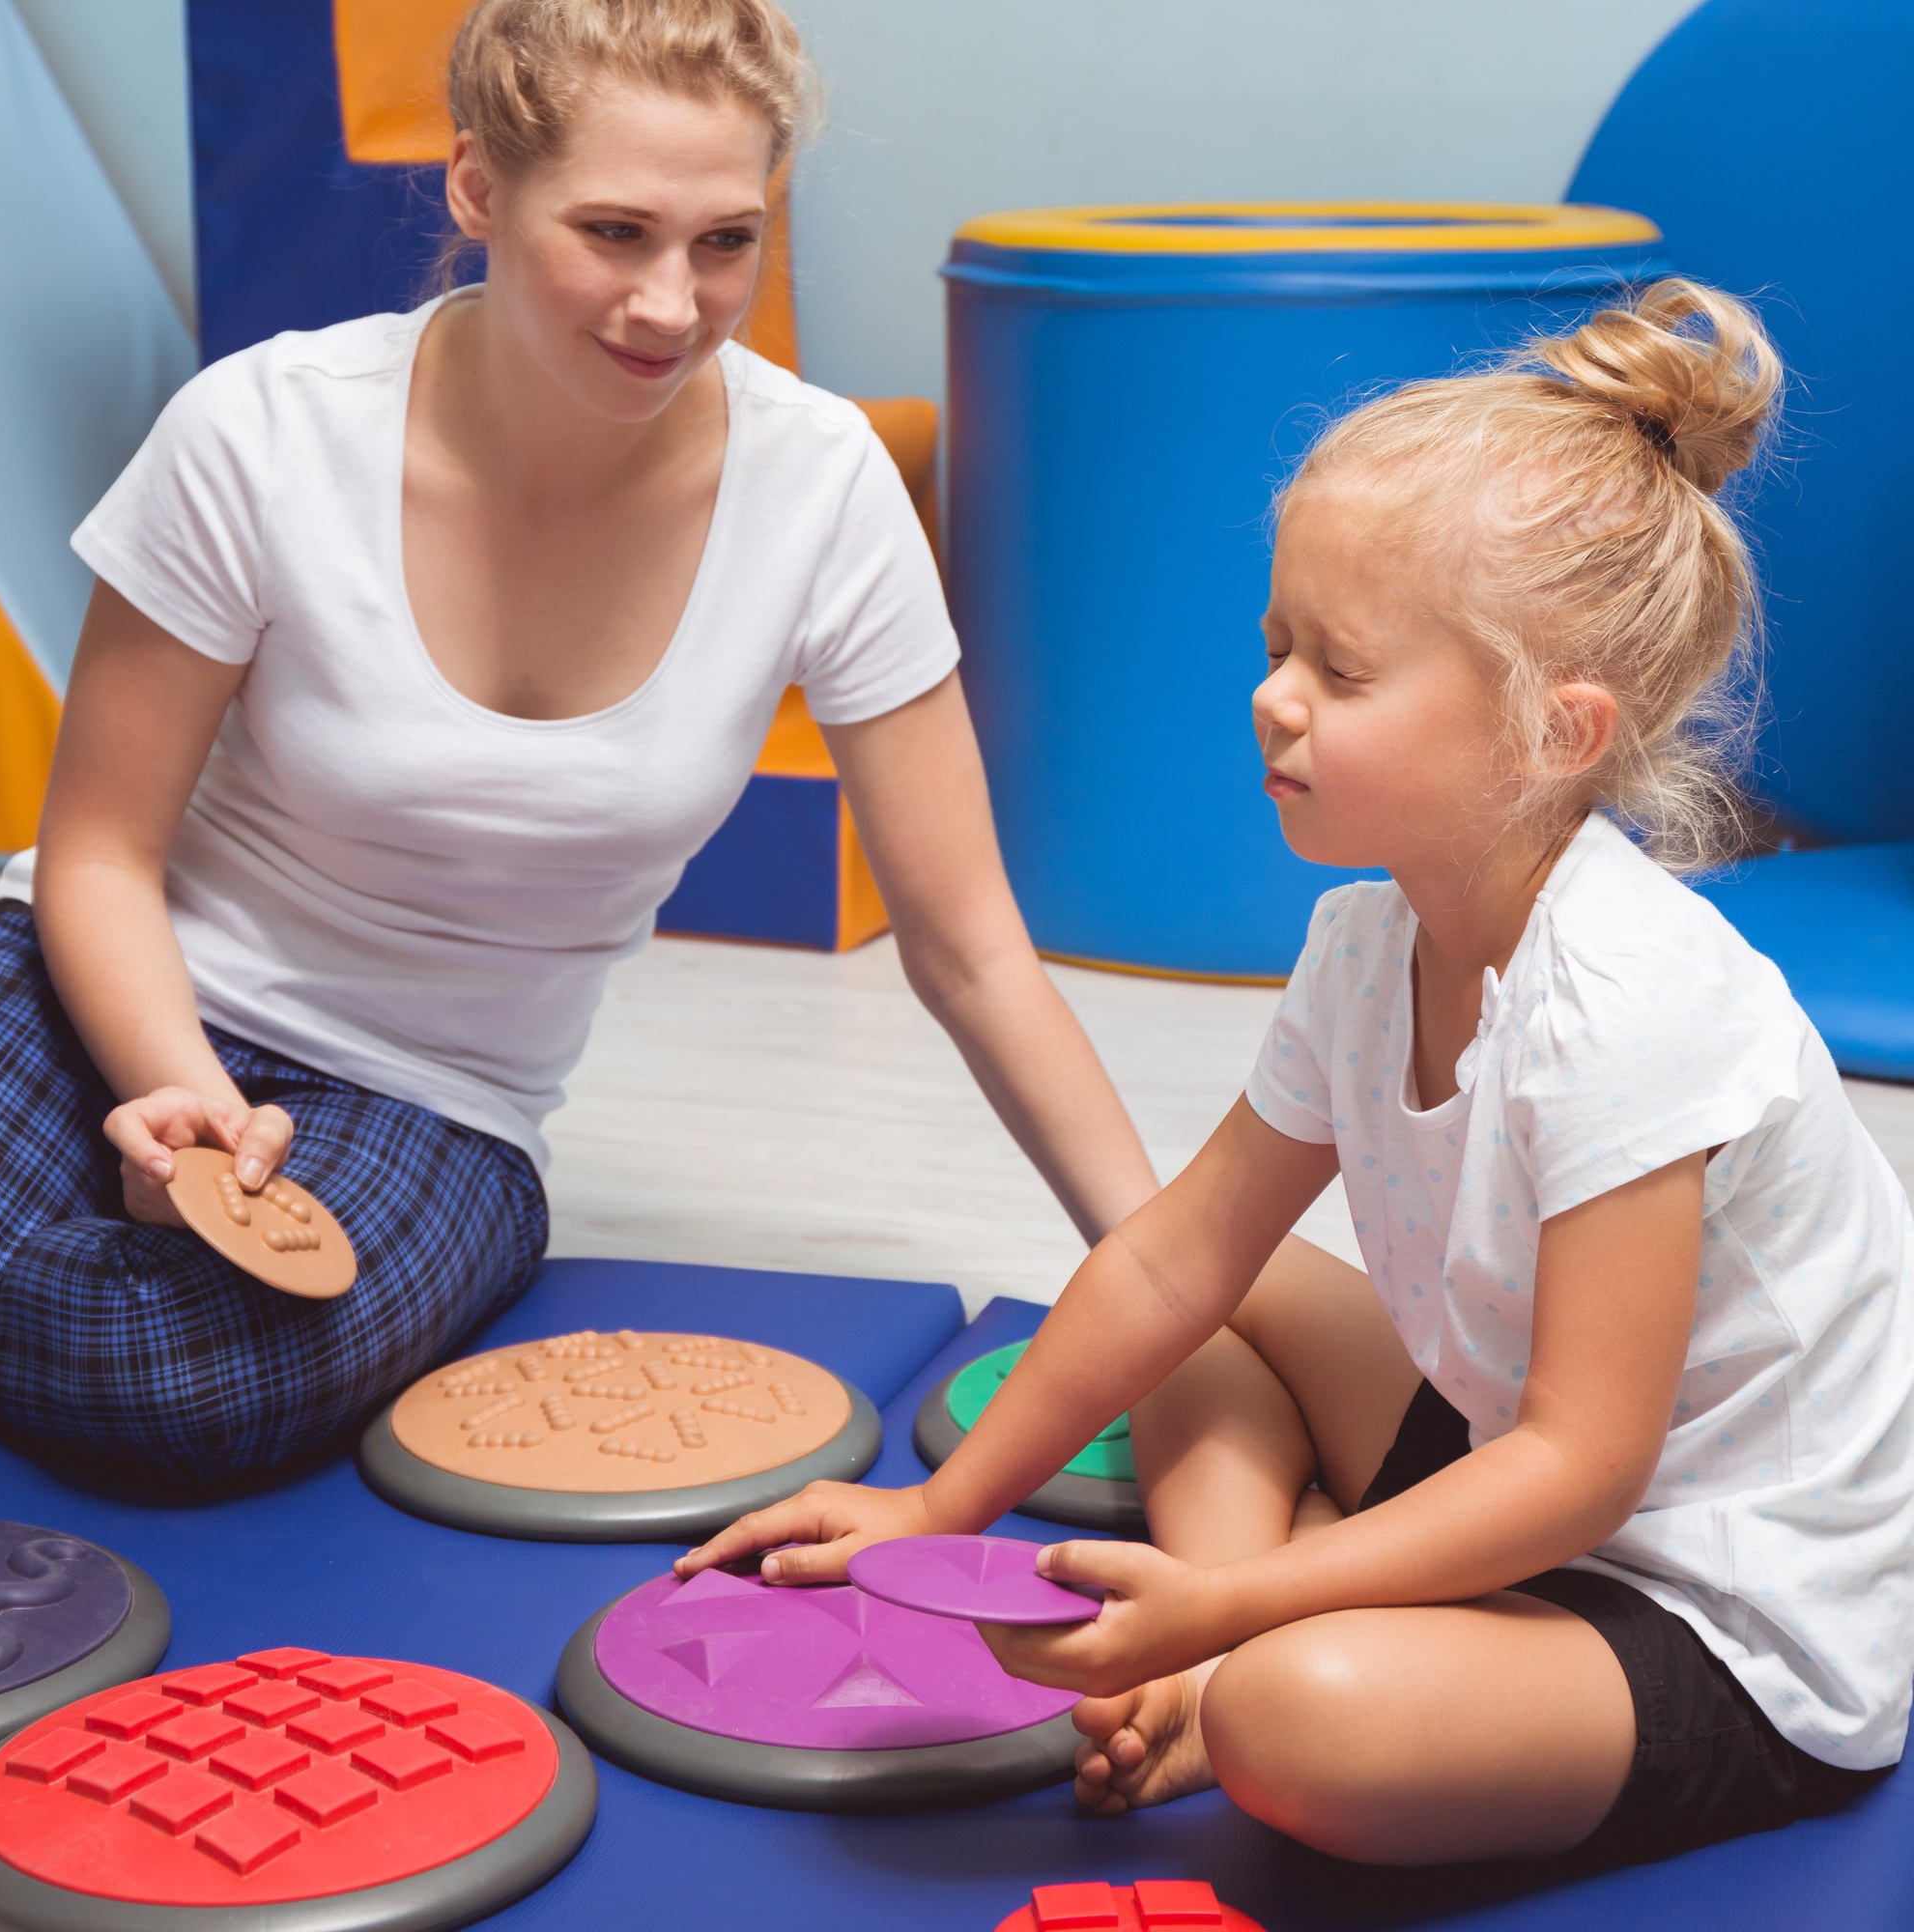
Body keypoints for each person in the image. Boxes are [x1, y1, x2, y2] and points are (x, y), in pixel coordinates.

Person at [680, 281, 1914, 1869]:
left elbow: (1581, 1469)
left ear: (1556, 731)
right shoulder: (1358, 944)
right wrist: (941, 1510)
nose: (1272, 698)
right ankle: (1228, 1635)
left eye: (1340, 671)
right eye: (1277, 645)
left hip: (1705, 1606)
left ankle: (1230, 1657)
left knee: (1293, 1719)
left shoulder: (1633, 1003)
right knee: (1203, 1301)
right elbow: (1179, 1253)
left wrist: (1237, 1606)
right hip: (1500, 1478)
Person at [0, 0, 1157, 1489]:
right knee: (104, 1285)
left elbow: (973, 945)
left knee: (177, 1377)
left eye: (726, 241)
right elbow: (96, 852)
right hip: (112, 988)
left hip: (431, 1098)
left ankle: (71, 1274)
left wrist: (1158, 1266)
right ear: (478, 187)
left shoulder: (822, 488)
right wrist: (183, 1101)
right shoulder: (264, 432)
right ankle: (85, 1248)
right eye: (613, 232)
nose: (673, 302)